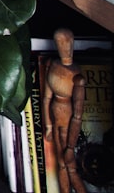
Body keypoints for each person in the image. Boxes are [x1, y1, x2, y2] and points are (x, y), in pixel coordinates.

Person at [43, 27, 87, 193]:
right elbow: (46, 98)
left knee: (70, 166)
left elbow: (77, 115)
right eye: (59, 43)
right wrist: (47, 125)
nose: (63, 47)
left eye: (66, 43)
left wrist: (70, 147)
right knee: (61, 165)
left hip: (68, 124)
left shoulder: (77, 77)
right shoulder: (52, 66)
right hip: (55, 120)